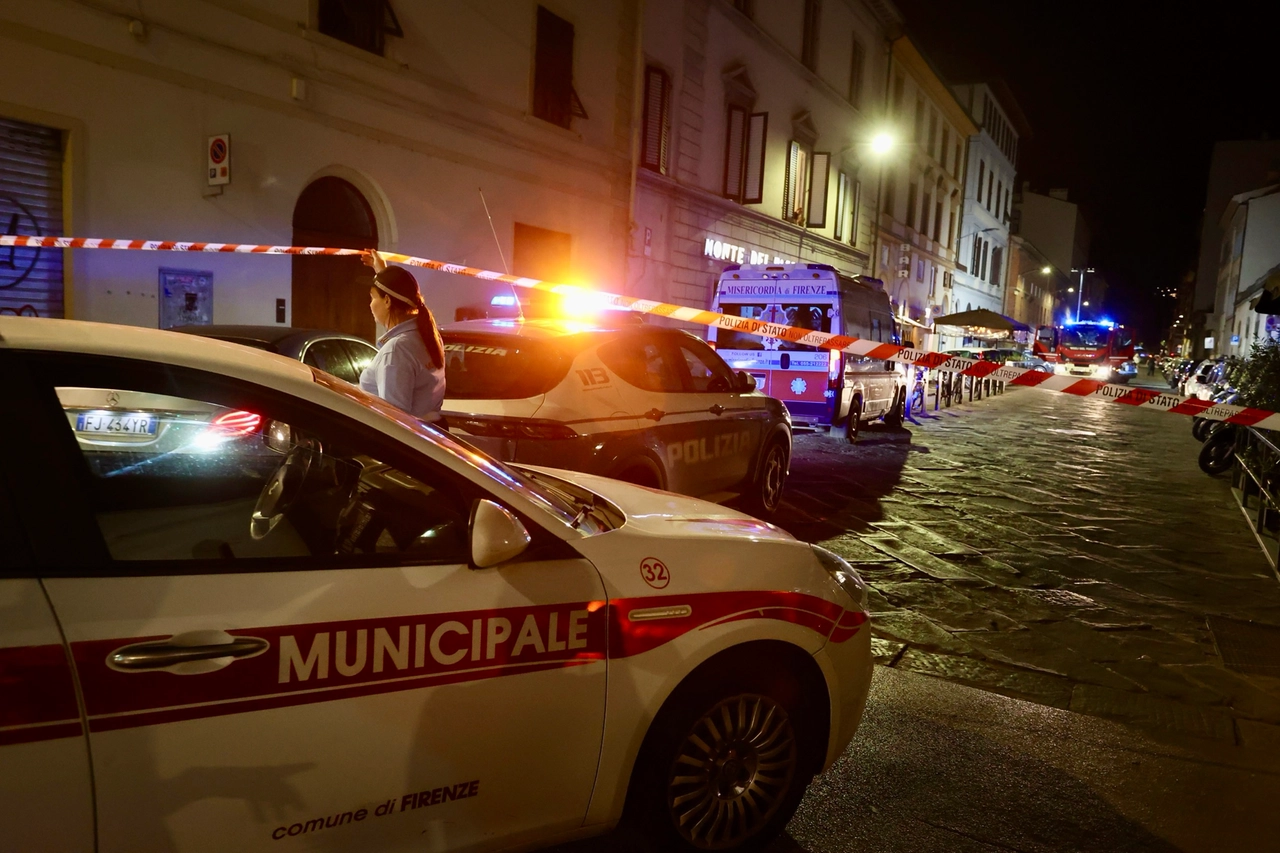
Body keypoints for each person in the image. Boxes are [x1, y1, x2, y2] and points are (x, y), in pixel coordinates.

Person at [359, 253, 447, 423]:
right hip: (430, 434)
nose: (370, 304)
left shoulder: (396, 351)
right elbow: (397, 292)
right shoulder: (426, 335)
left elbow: (394, 421)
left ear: (387, 301)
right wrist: (382, 271)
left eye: (372, 297)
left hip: (410, 440)